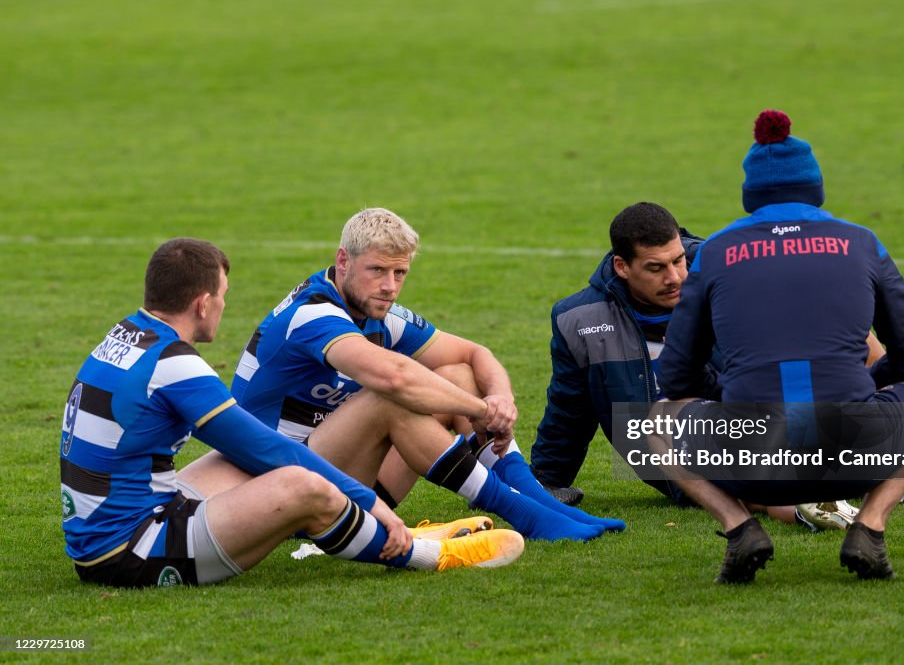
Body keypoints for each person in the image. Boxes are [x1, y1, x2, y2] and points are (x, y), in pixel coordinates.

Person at [59, 238, 525, 588]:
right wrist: (374, 504)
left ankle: (387, 529)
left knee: (240, 463)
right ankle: (427, 554)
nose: (224, 304)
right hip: (129, 550)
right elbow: (270, 450)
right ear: (203, 303)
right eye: (222, 294)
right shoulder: (176, 364)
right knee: (301, 485)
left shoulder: (127, 334)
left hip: (109, 527)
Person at [657, 110, 904, 583]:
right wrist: (867, 384)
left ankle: (739, 528)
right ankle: (870, 526)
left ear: (750, 194)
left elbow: (676, 376)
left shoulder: (713, 252)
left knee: (659, 415)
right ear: (815, 187)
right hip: (856, 456)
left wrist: (727, 387)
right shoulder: (862, 241)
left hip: (755, 463)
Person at [221, 208, 625, 543]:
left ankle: (538, 501)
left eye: (399, 274)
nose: (389, 286)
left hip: (346, 482)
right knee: (388, 398)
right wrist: (481, 410)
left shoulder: (374, 312)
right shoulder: (313, 314)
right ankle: (529, 515)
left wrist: (500, 398)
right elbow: (395, 379)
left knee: (456, 372)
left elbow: (474, 352)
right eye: (377, 270)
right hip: (280, 490)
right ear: (343, 261)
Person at [529, 201, 859, 531]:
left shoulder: (729, 273)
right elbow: (569, 409)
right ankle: (805, 503)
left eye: (678, 261)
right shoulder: (579, 319)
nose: (675, 277)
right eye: (655, 268)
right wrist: (546, 480)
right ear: (622, 266)